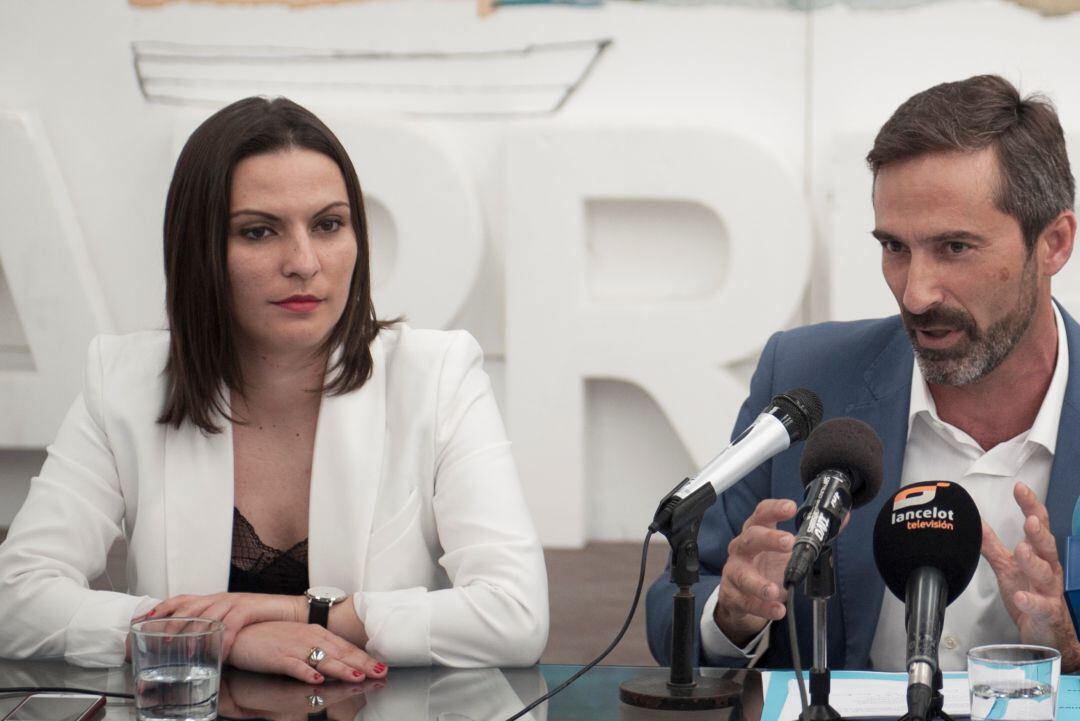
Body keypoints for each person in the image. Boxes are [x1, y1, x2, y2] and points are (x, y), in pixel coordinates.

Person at [0, 97, 548, 682]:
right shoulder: (124, 382)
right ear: (199, 250)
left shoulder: (437, 375)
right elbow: (15, 601)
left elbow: (515, 615)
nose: (304, 262)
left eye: (328, 224)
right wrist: (217, 640)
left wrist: (305, 614)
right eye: (259, 232)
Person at [646, 74, 1080, 674]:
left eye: (955, 247)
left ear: (1054, 243)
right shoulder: (806, 379)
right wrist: (733, 613)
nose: (917, 292)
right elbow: (677, 604)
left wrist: (1068, 650)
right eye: (895, 247)